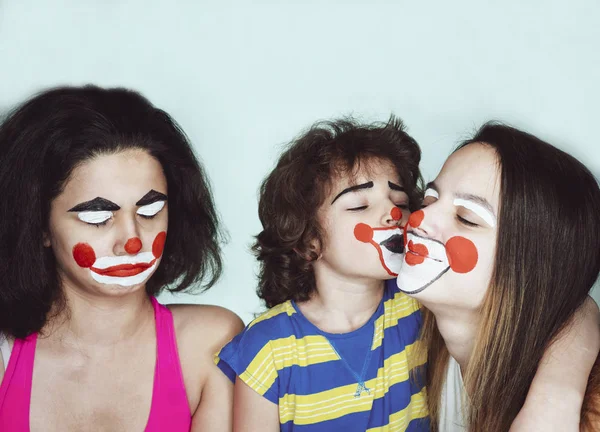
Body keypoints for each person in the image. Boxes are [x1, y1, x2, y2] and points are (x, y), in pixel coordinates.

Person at [0, 85, 244, 431]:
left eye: (150, 211)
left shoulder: (211, 342)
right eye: (98, 217)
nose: (132, 241)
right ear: (38, 226)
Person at [217, 117, 430, 431]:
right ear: (308, 242)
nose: (394, 214)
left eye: (400, 201)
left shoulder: (421, 308)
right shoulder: (267, 348)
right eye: (359, 205)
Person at [396, 122, 600, 431]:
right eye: (429, 199)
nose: (419, 218)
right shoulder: (418, 339)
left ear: (528, 268)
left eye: (466, 218)